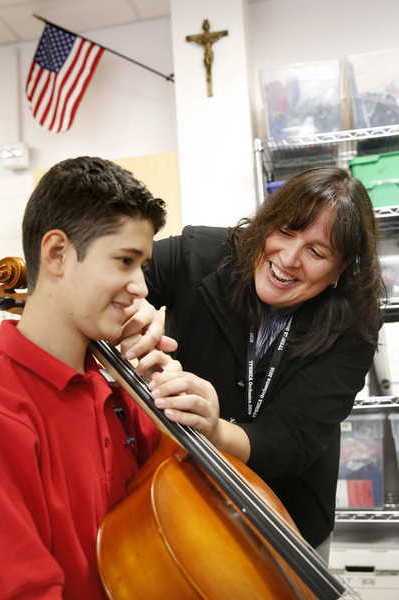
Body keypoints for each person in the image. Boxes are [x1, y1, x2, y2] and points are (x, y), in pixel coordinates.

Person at [0, 157, 221, 600]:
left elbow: (182, 514)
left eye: (142, 265)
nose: (142, 287)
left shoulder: (117, 386)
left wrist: (195, 420)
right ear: (57, 254)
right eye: (125, 261)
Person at [122, 165, 385, 562]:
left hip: (285, 519)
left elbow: (292, 439)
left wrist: (215, 431)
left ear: (341, 268)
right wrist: (128, 304)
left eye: (317, 252)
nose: (289, 259)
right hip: (181, 498)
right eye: (285, 232)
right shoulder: (199, 253)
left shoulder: (355, 323)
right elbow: (114, 273)